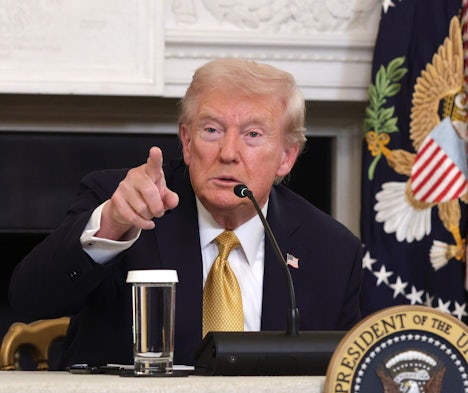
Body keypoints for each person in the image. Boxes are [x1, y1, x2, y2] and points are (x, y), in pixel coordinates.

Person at [9, 58, 363, 369]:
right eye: (212, 130)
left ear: (286, 156)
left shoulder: (331, 251)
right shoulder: (124, 203)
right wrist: (112, 222)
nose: (228, 153)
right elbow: (29, 299)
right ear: (188, 142)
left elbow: (343, 384)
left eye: (253, 134)